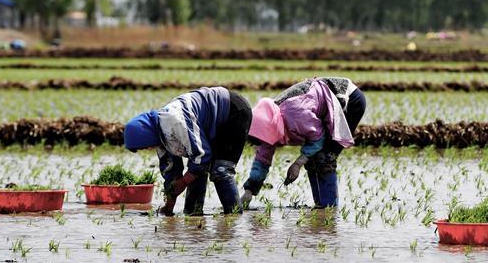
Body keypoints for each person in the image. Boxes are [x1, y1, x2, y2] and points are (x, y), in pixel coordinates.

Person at [123, 87, 252, 215]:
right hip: (214, 123)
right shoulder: (160, 138)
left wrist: (184, 182)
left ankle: (233, 217)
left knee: (221, 170)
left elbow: (202, 154)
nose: (147, 149)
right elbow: (171, 172)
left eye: (144, 146)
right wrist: (169, 205)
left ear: (145, 136)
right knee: (195, 169)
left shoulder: (174, 122)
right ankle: (193, 213)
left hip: (233, 111)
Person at [240, 77, 366, 208]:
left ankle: (329, 209)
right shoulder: (266, 125)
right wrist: (249, 191)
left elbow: (318, 139)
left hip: (349, 99)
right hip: (320, 109)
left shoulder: (295, 114)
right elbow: (262, 160)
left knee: (325, 157)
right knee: (312, 159)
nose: (265, 143)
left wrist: (297, 164)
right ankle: (321, 207)